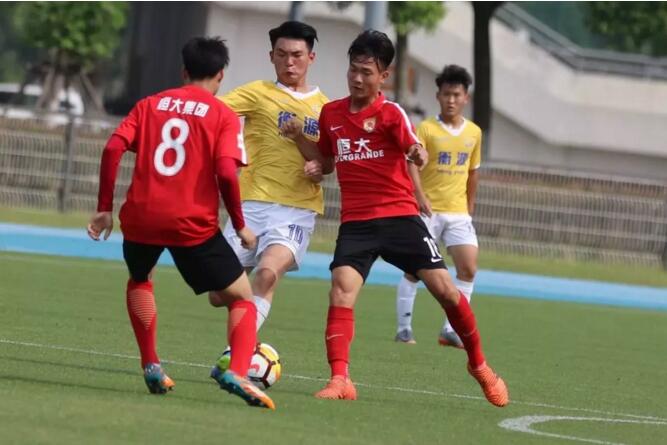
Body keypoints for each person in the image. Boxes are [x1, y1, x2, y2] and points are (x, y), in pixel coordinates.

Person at [288, 30, 508, 407]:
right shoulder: (331, 114)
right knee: (341, 288)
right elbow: (327, 160)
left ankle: (479, 365)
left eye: (366, 72)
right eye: (353, 70)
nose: (357, 78)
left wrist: (418, 153)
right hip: (357, 222)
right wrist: (299, 141)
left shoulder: (390, 113)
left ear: (384, 76)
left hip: (399, 216)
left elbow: (414, 147)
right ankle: (340, 379)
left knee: (446, 290)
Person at [86, 37, 274, 410]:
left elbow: (112, 148)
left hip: (140, 217)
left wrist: (104, 208)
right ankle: (237, 371)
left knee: (141, 279)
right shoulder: (222, 115)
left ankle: (151, 364)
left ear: (183, 71)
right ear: (221, 75)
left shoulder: (149, 104)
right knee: (242, 298)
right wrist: (239, 225)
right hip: (191, 223)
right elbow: (226, 171)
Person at [216, 21, 328, 332]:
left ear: (311, 58)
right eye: (282, 54)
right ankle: (244, 345)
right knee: (218, 292)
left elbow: (328, 163)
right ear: (271, 56)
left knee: (267, 274)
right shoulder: (256, 93)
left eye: (297, 55)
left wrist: (317, 165)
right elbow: (214, 110)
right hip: (250, 204)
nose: (289, 62)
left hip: (296, 208)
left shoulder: (326, 109)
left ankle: (238, 353)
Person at [394, 65, 482, 348]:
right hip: (427, 211)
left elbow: (473, 171)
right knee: (414, 270)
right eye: (446, 94)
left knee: (468, 268)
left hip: (457, 213)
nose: (451, 100)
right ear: (438, 96)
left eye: (456, 95)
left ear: (466, 97)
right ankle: (404, 328)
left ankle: (450, 330)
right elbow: (411, 162)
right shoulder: (426, 129)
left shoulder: (474, 133)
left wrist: (469, 206)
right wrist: (419, 196)